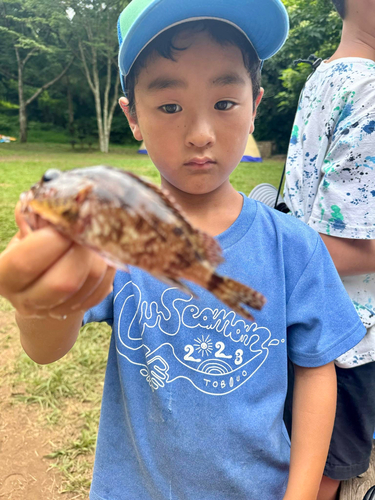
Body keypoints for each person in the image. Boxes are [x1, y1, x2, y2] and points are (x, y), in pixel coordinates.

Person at [0, 1, 368, 499]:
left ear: (255, 105)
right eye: (170, 106)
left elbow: (316, 370)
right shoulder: (116, 232)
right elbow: (45, 351)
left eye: (224, 103)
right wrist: (39, 305)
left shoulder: (293, 246)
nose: (201, 134)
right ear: (132, 116)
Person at [284, 0, 375, 499]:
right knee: (326, 474)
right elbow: (328, 248)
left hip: (313, 326)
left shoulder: (328, 75)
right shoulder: (370, 89)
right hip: (351, 340)